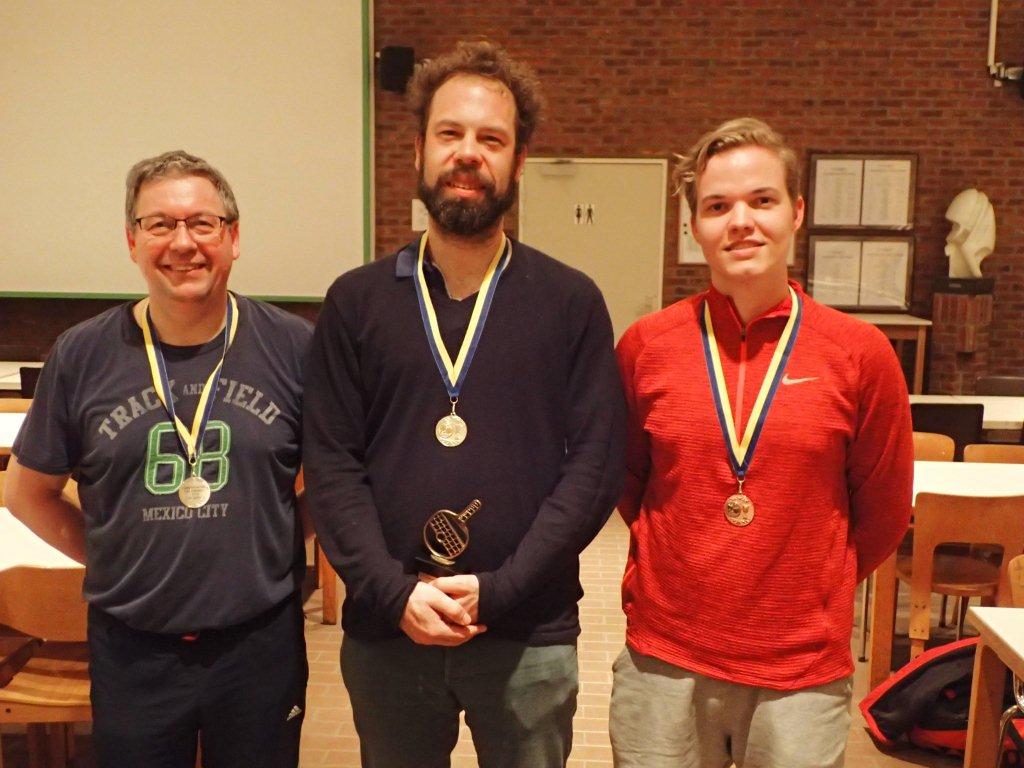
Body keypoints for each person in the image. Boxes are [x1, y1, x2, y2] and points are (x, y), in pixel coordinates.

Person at [303, 40, 625, 768]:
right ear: (418, 149)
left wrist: (500, 591)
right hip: (389, 632)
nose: (469, 153)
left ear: (518, 161)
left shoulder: (570, 301)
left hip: (527, 634)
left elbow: (596, 468)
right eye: (451, 134)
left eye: (492, 139)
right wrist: (392, 593)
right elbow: (331, 465)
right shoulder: (355, 303)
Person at [610, 118, 914, 768]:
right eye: (718, 206)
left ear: (797, 212)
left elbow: (884, 514)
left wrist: (806, 584)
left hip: (800, 669)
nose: (740, 222)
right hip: (665, 658)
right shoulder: (646, 347)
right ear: (694, 226)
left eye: (762, 201)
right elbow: (628, 484)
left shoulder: (860, 355)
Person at [5, 150, 311, 768]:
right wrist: (113, 554)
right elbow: (24, 493)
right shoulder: (82, 353)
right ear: (132, 240)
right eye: (160, 225)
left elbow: (339, 484)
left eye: (202, 223)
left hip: (259, 645)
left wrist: (277, 546)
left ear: (233, 237)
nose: (183, 243)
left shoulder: (294, 346)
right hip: (133, 649)